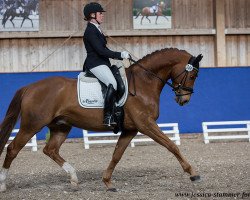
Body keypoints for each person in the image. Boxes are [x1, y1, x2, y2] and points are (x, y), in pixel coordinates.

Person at [83, 2, 130, 127]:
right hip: (95, 64)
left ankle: (116, 109)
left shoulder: (97, 29)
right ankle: (107, 116)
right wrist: (120, 55)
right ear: (92, 15)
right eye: (100, 13)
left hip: (103, 63)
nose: (102, 16)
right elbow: (101, 51)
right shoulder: (90, 31)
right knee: (112, 83)